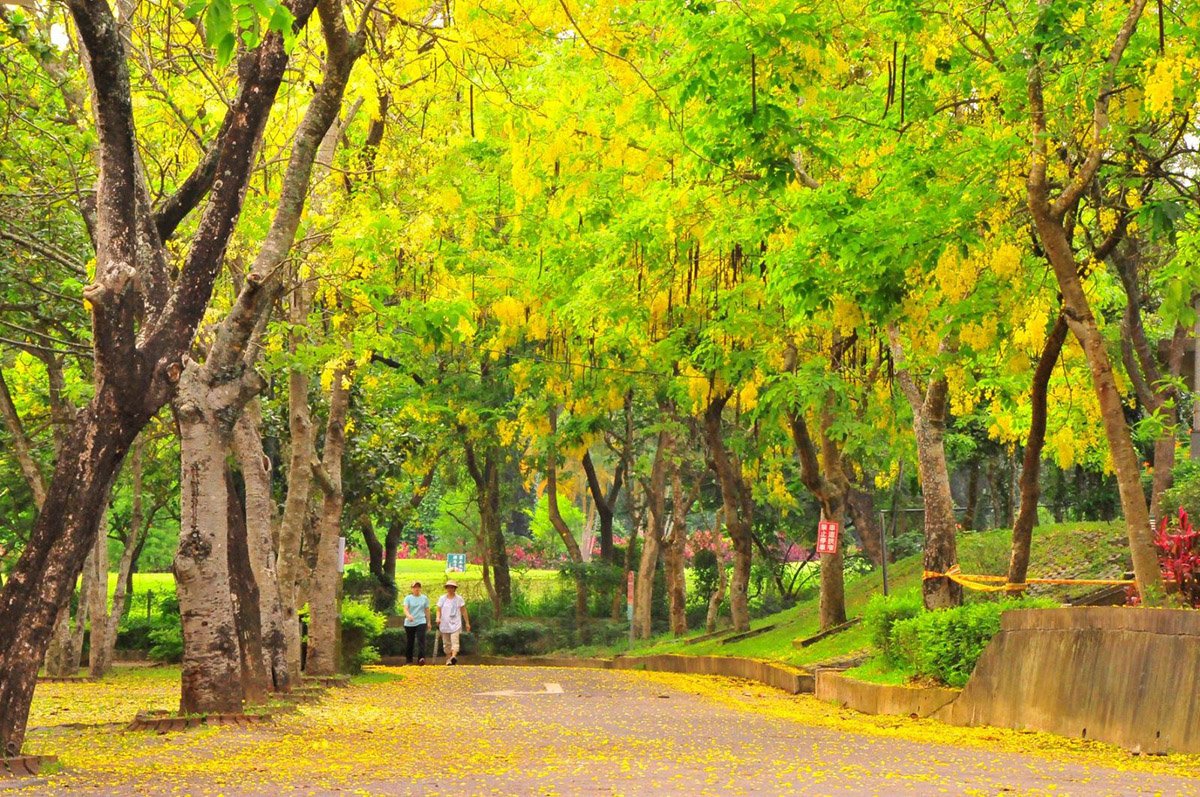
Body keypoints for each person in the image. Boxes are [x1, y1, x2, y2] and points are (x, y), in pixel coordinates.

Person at [435, 580, 470, 665]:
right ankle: (448, 659)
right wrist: (438, 618)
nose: (450, 589)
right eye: (449, 587)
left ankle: (453, 656)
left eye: (452, 587)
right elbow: (438, 610)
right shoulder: (442, 598)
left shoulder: (459, 599)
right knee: (446, 643)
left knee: (455, 641)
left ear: (455, 589)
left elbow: (464, 611)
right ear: (446, 588)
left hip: (456, 624)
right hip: (444, 623)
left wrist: (467, 623)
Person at [402, 581, 430, 665]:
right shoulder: (408, 598)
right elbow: (405, 609)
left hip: (421, 621)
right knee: (410, 641)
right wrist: (408, 616)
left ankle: (421, 658)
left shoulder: (424, 598)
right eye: (414, 587)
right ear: (412, 589)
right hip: (409, 622)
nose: (416, 589)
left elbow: (427, 610)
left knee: (421, 639)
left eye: (418, 587)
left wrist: (429, 622)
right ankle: (409, 660)